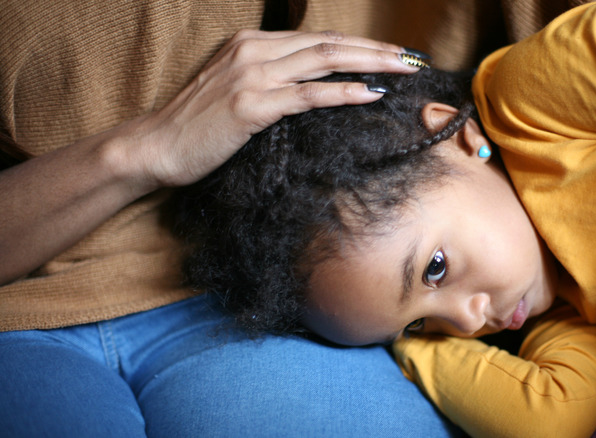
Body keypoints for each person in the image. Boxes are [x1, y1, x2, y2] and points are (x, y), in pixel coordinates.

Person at [175, 0, 596, 436]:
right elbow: (548, 419)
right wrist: (401, 347)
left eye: (435, 270)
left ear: (449, 134)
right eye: (419, 326)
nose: (466, 323)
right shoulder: (570, 312)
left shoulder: (537, 105)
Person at [0, 0, 560, 435]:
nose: (464, 331)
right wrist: (142, 154)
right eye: (433, 270)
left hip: (248, 311)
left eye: (434, 273)